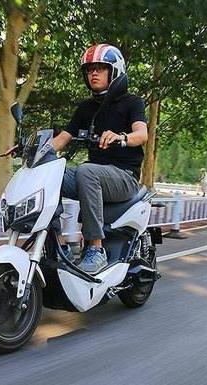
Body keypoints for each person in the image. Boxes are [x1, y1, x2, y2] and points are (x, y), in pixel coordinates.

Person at [52, 43, 148, 274]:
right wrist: (32, 149)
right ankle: (57, 243)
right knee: (51, 172)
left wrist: (121, 137)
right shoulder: (86, 108)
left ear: (114, 71)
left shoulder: (132, 102)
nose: (93, 73)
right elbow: (63, 138)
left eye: (100, 68)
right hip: (94, 177)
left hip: (124, 178)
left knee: (87, 170)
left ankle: (96, 250)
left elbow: (142, 135)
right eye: (90, 69)